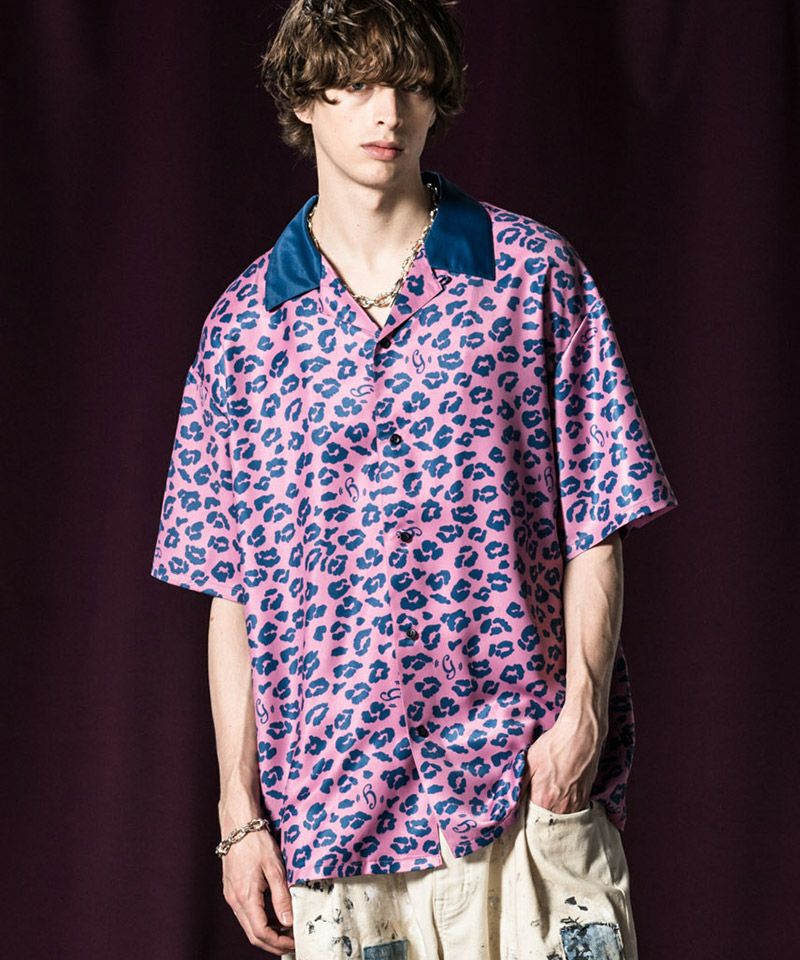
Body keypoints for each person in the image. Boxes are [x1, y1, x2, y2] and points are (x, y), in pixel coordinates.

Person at [149, 1, 679, 957]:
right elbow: (230, 589)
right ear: (303, 98)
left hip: (522, 795)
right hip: (334, 817)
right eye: (354, 83)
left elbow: (598, 519)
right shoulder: (242, 331)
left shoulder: (532, 276)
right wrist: (239, 814)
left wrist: (581, 724)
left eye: (410, 83)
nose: (387, 111)